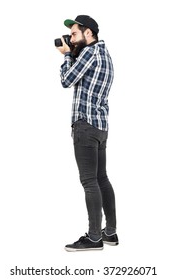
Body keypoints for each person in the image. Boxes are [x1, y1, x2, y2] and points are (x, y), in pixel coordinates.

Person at [56, 15, 118, 252]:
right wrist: (73, 52)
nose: (71, 39)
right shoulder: (104, 54)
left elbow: (66, 80)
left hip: (85, 124)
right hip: (100, 126)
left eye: (74, 34)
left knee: (89, 181)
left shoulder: (89, 54)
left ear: (88, 33)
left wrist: (66, 56)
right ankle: (110, 233)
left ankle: (94, 238)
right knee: (101, 178)